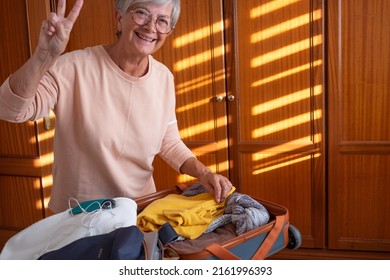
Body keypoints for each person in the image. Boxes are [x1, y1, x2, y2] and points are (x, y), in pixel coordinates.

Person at [0, 0, 233, 213]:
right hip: (79, 216)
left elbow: (168, 141)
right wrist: (43, 56)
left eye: (162, 20)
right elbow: (11, 110)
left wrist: (205, 173)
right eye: (141, 13)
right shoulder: (71, 67)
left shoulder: (164, 78)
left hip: (138, 212)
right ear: (120, 18)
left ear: (168, 31)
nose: (151, 26)